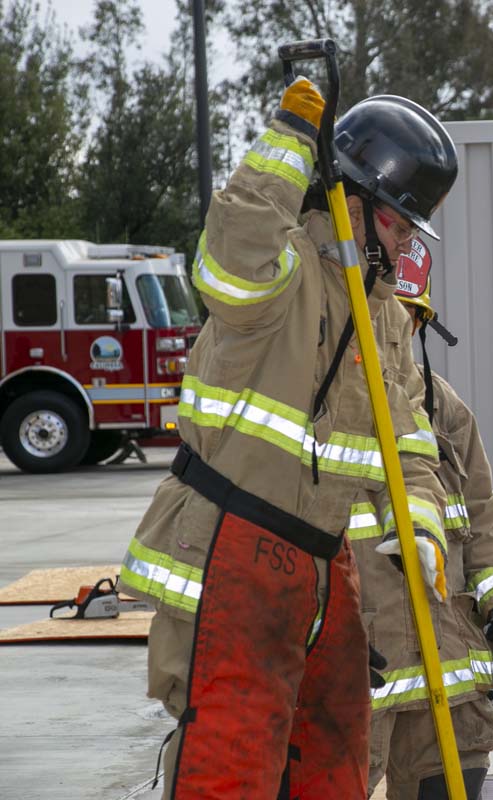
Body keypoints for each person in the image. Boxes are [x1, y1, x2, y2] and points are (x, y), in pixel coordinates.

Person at [117, 84, 457, 798]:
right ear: (356, 203)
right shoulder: (281, 273)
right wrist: (290, 137)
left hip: (323, 566)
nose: (403, 246)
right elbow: (230, 249)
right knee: (231, 759)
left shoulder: (382, 312)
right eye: (399, 226)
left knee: (334, 755)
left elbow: (410, 442)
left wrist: (422, 531)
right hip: (233, 546)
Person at [351, 238, 493, 800]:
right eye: (386, 316)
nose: (395, 332)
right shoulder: (321, 409)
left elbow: (481, 518)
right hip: (360, 661)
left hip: (446, 665)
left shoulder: (446, 410)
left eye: (408, 318)